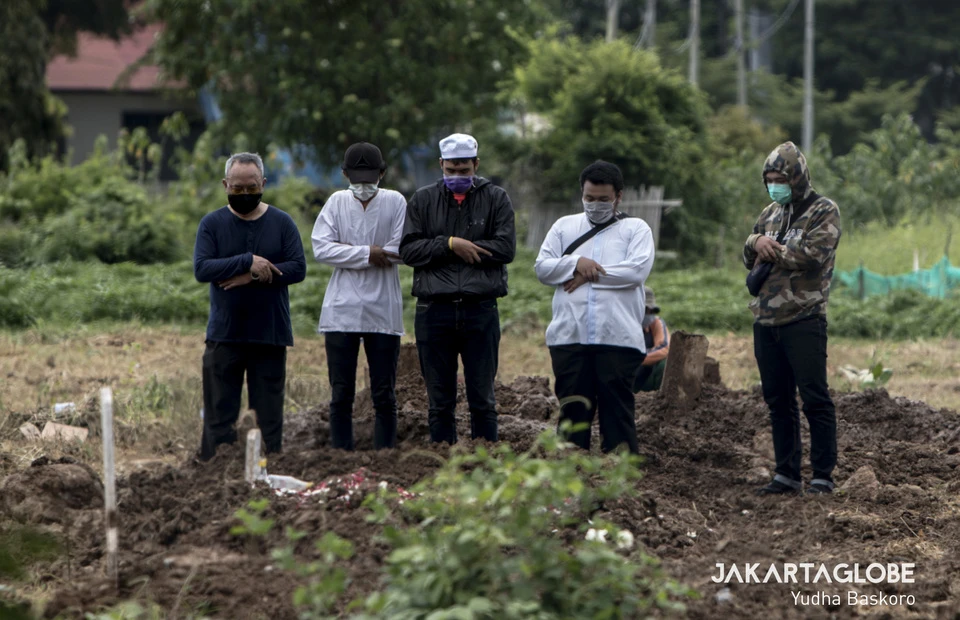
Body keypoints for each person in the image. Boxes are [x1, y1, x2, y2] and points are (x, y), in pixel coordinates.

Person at [399, 133, 516, 444]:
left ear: (476, 164)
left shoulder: (496, 198)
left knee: (483, 398)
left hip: (480, 309)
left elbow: (506, 248)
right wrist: (450, 244)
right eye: (451, 170)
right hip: (434, 310)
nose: (457, 176)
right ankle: (441, 459)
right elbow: (409, 251)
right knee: (439, 401)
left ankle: (485, 458)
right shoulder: (422, 200)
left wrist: (466, 248)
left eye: (464, 170)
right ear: (441, 165)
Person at [535, 160, 654, 454]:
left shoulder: (636, 229)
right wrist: (576, 262)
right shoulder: (563, 227)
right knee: (572, 416)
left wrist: (585, 275)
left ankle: (621, 477)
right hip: (569, 337)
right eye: (589, 198)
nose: (595, 205)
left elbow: (635, 272)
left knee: (618, 416)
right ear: (582, 193)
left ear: (618, 197)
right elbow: (543, 268)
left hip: (618, 339)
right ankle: (569, 475)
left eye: (603, 199)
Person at [742, 141, 841, 495]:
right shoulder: (769, 214)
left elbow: (814, 255)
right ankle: (786, 473)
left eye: (780, 179)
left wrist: (772, 250)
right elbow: (748, 256)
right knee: (778, 401)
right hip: (766, 320)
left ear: (796, 177)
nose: (774, 186)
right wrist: (755, 242)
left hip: (804, 318)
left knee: (814, 398)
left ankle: (822, 475)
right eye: (769, 180)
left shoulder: (823, 210)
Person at [194, 152, 306, 460]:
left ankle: (267, 471)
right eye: (238, 188)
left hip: (269, 334)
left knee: (269, 418)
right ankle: (214, 472)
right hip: (225, 335)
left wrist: (252, 276)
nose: (245, 194)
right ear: (225, 185)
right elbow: (202, 268)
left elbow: (298, 268)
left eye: (252, 187)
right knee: (219, 417)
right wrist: (247, 262)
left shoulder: (282, 223)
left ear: (264, 184)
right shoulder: (212, 224)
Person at [311, 142, 406, 450]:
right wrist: (368, 253)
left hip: (383, 309)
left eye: (370, 178)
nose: (364, 186)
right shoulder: (336, 202)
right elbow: (321, 248)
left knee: (384, 393)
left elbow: (402, 249)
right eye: (357, 178)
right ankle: (341, 454)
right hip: (342, 310)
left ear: (382, 174)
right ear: (345, 175)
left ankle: (385, 454)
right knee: (341, 392)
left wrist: (349, 252)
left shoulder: (395, 201)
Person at [633, 286, 669, 393]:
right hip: (622, 376)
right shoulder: (619, 324)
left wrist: (634, 359)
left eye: (651, 311)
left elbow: (664, 348)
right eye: (645, 310)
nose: (648, 314)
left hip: (644, 375)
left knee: (665, 364)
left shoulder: (655, 323)